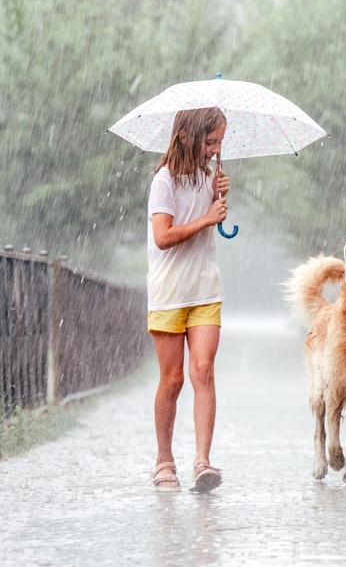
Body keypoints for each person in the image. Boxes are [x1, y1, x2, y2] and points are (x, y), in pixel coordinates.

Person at [146, 107, 229, 493]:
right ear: (185, 136)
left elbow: (211, 220)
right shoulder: (164, 181)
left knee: (203, 371)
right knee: (173, 379)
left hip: (204, 290)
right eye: (209, 141)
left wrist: (216, 197)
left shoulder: (210, 176)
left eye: (219, 143)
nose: (214, 149)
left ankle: (202, 462)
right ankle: (164, 460)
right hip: (168, 293)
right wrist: (207, 218)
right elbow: (163, 237)